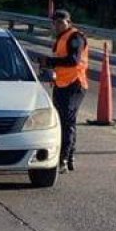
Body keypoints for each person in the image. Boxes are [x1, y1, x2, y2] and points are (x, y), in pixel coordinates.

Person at [38, 9, 88, 173]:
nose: (58, 25)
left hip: (75, 84)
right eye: (55, 23)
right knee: (61, 120)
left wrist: (51, 61)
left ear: (69, 22)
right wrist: (49, 67)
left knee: (67, 121)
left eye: (61, 22)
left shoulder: (75, 37)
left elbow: (73, 60)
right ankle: (68, 156)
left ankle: (64, 158)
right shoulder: (61, 38)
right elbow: (61, 61)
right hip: (61, 84)